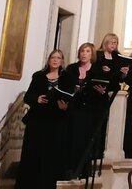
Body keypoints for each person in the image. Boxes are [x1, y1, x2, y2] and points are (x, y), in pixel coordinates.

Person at [16, 50, 69, 189]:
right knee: (33, 153)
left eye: (58, 58)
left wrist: (65, 107)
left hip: (56, 122)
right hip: (37, 120)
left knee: (51, 155)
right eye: (53, 57)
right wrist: (37, 98)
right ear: (48, 60)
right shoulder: (38, 76)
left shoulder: (67, 78)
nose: (55, 60)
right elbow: (27, 97)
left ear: (62, 61)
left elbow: (70, 98)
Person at [64, 42, 105, 178]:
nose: (84, 54)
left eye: (87, 51)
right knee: (72, 139)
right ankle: (70, 170)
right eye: (82, 51)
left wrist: (102, 92)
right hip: (73, 109)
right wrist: (73, 90)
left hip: (89, 110)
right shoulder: (71, 69)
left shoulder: (97, 71)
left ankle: (84, 171)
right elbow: (64, 86)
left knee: (86, 141)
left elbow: (103, 90)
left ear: (92, 54)